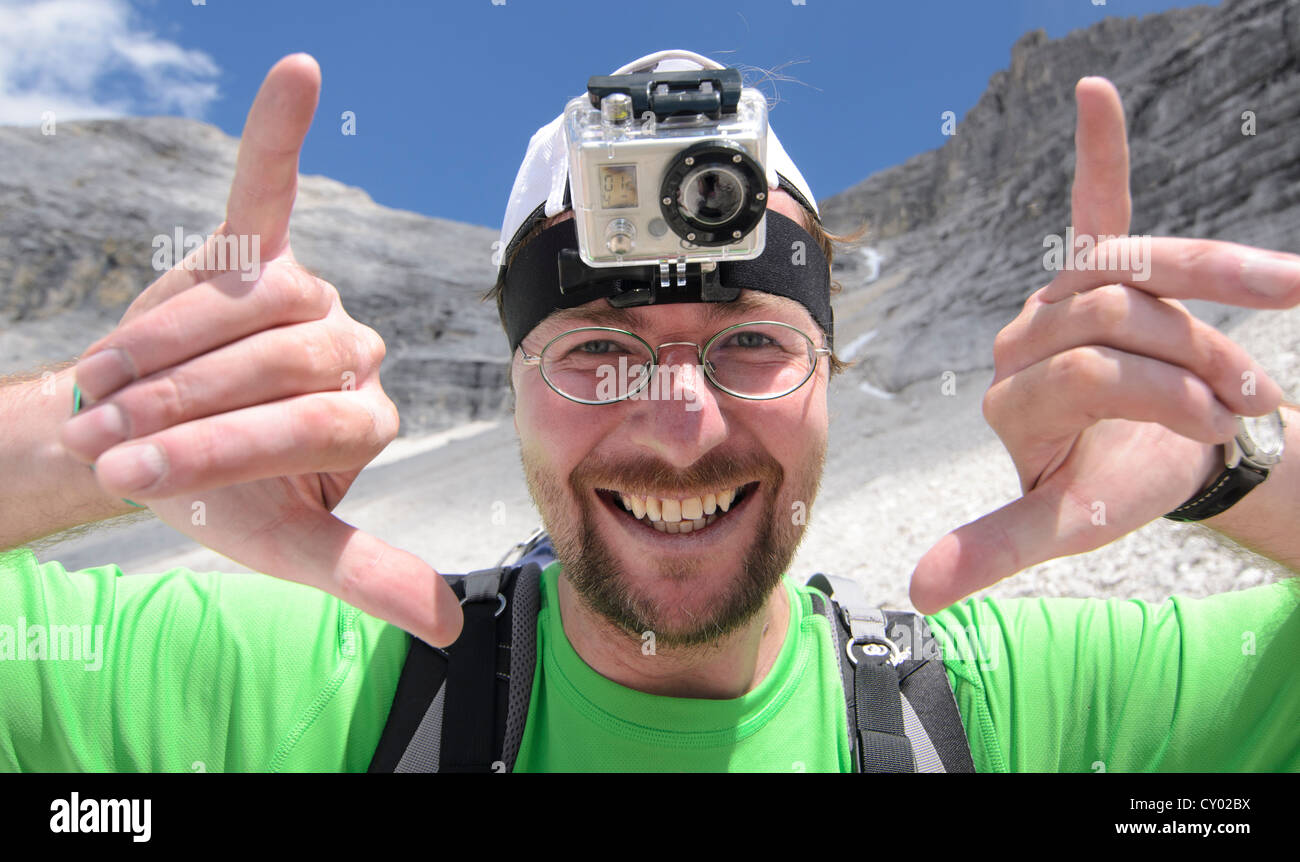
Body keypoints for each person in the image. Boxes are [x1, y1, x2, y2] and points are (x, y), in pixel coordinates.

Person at [1, 50, 1297, 772]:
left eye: (749, 341)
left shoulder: (991, 720)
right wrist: (88, 439)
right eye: (598, 347)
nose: (679, 424)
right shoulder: (318, 703)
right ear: (511, 387)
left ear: (834, 381)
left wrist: (1234, 462)